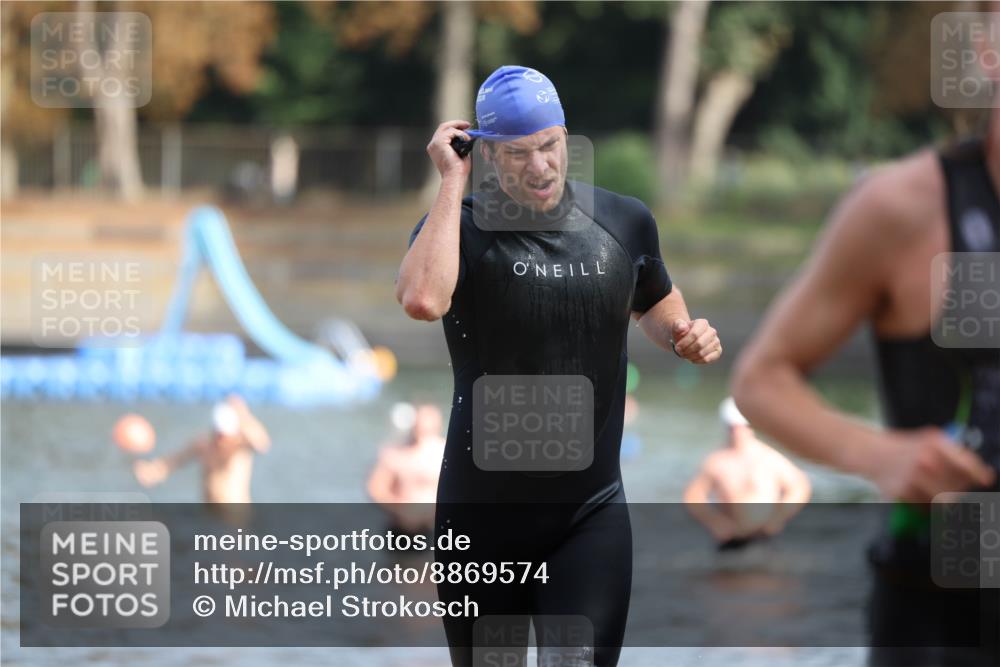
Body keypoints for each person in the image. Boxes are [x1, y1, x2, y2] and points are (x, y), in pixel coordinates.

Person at [396, 65, 722, 666]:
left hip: (588, 517)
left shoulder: (623, 221)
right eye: (518, 153)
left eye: (550, 146)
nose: (541, 166)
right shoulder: (459, 229)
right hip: (482, 522)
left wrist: (681, 335)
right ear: (486, 155)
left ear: (566, 137)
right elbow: (423, 300)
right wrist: (449, 181)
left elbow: (653, 300)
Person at [732, 102, 1000, 662]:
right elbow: (761, 380)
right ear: (984, 47)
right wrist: (881, 455)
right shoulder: (903, 207)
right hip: (943, 617)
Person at [684, 397, 811, 550]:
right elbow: (693, 496)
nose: (739, 432)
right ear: (727, 427)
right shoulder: (717, 462)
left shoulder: (770, 458)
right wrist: (715, 523)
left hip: (765, 537)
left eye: (744, 426)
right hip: (731, 537)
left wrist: (779, 516)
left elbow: (800, 486)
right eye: (733, 427)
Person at [132, 394, 270, 505]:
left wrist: (243, 415)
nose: (221, 440)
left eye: (225, 435)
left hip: (235, 518)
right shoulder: (204, 445)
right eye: (218, 434)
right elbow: (173, 461)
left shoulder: (240, 447)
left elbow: (262, 444)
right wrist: (151, 472)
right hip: (210, 516)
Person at [366, 403, 446, 534]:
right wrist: (401, 508)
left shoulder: (447, 453)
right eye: (419, 421)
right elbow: (376, 489)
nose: (422, 425)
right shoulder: (396, 453)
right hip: (401, 527)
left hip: (435, 527)